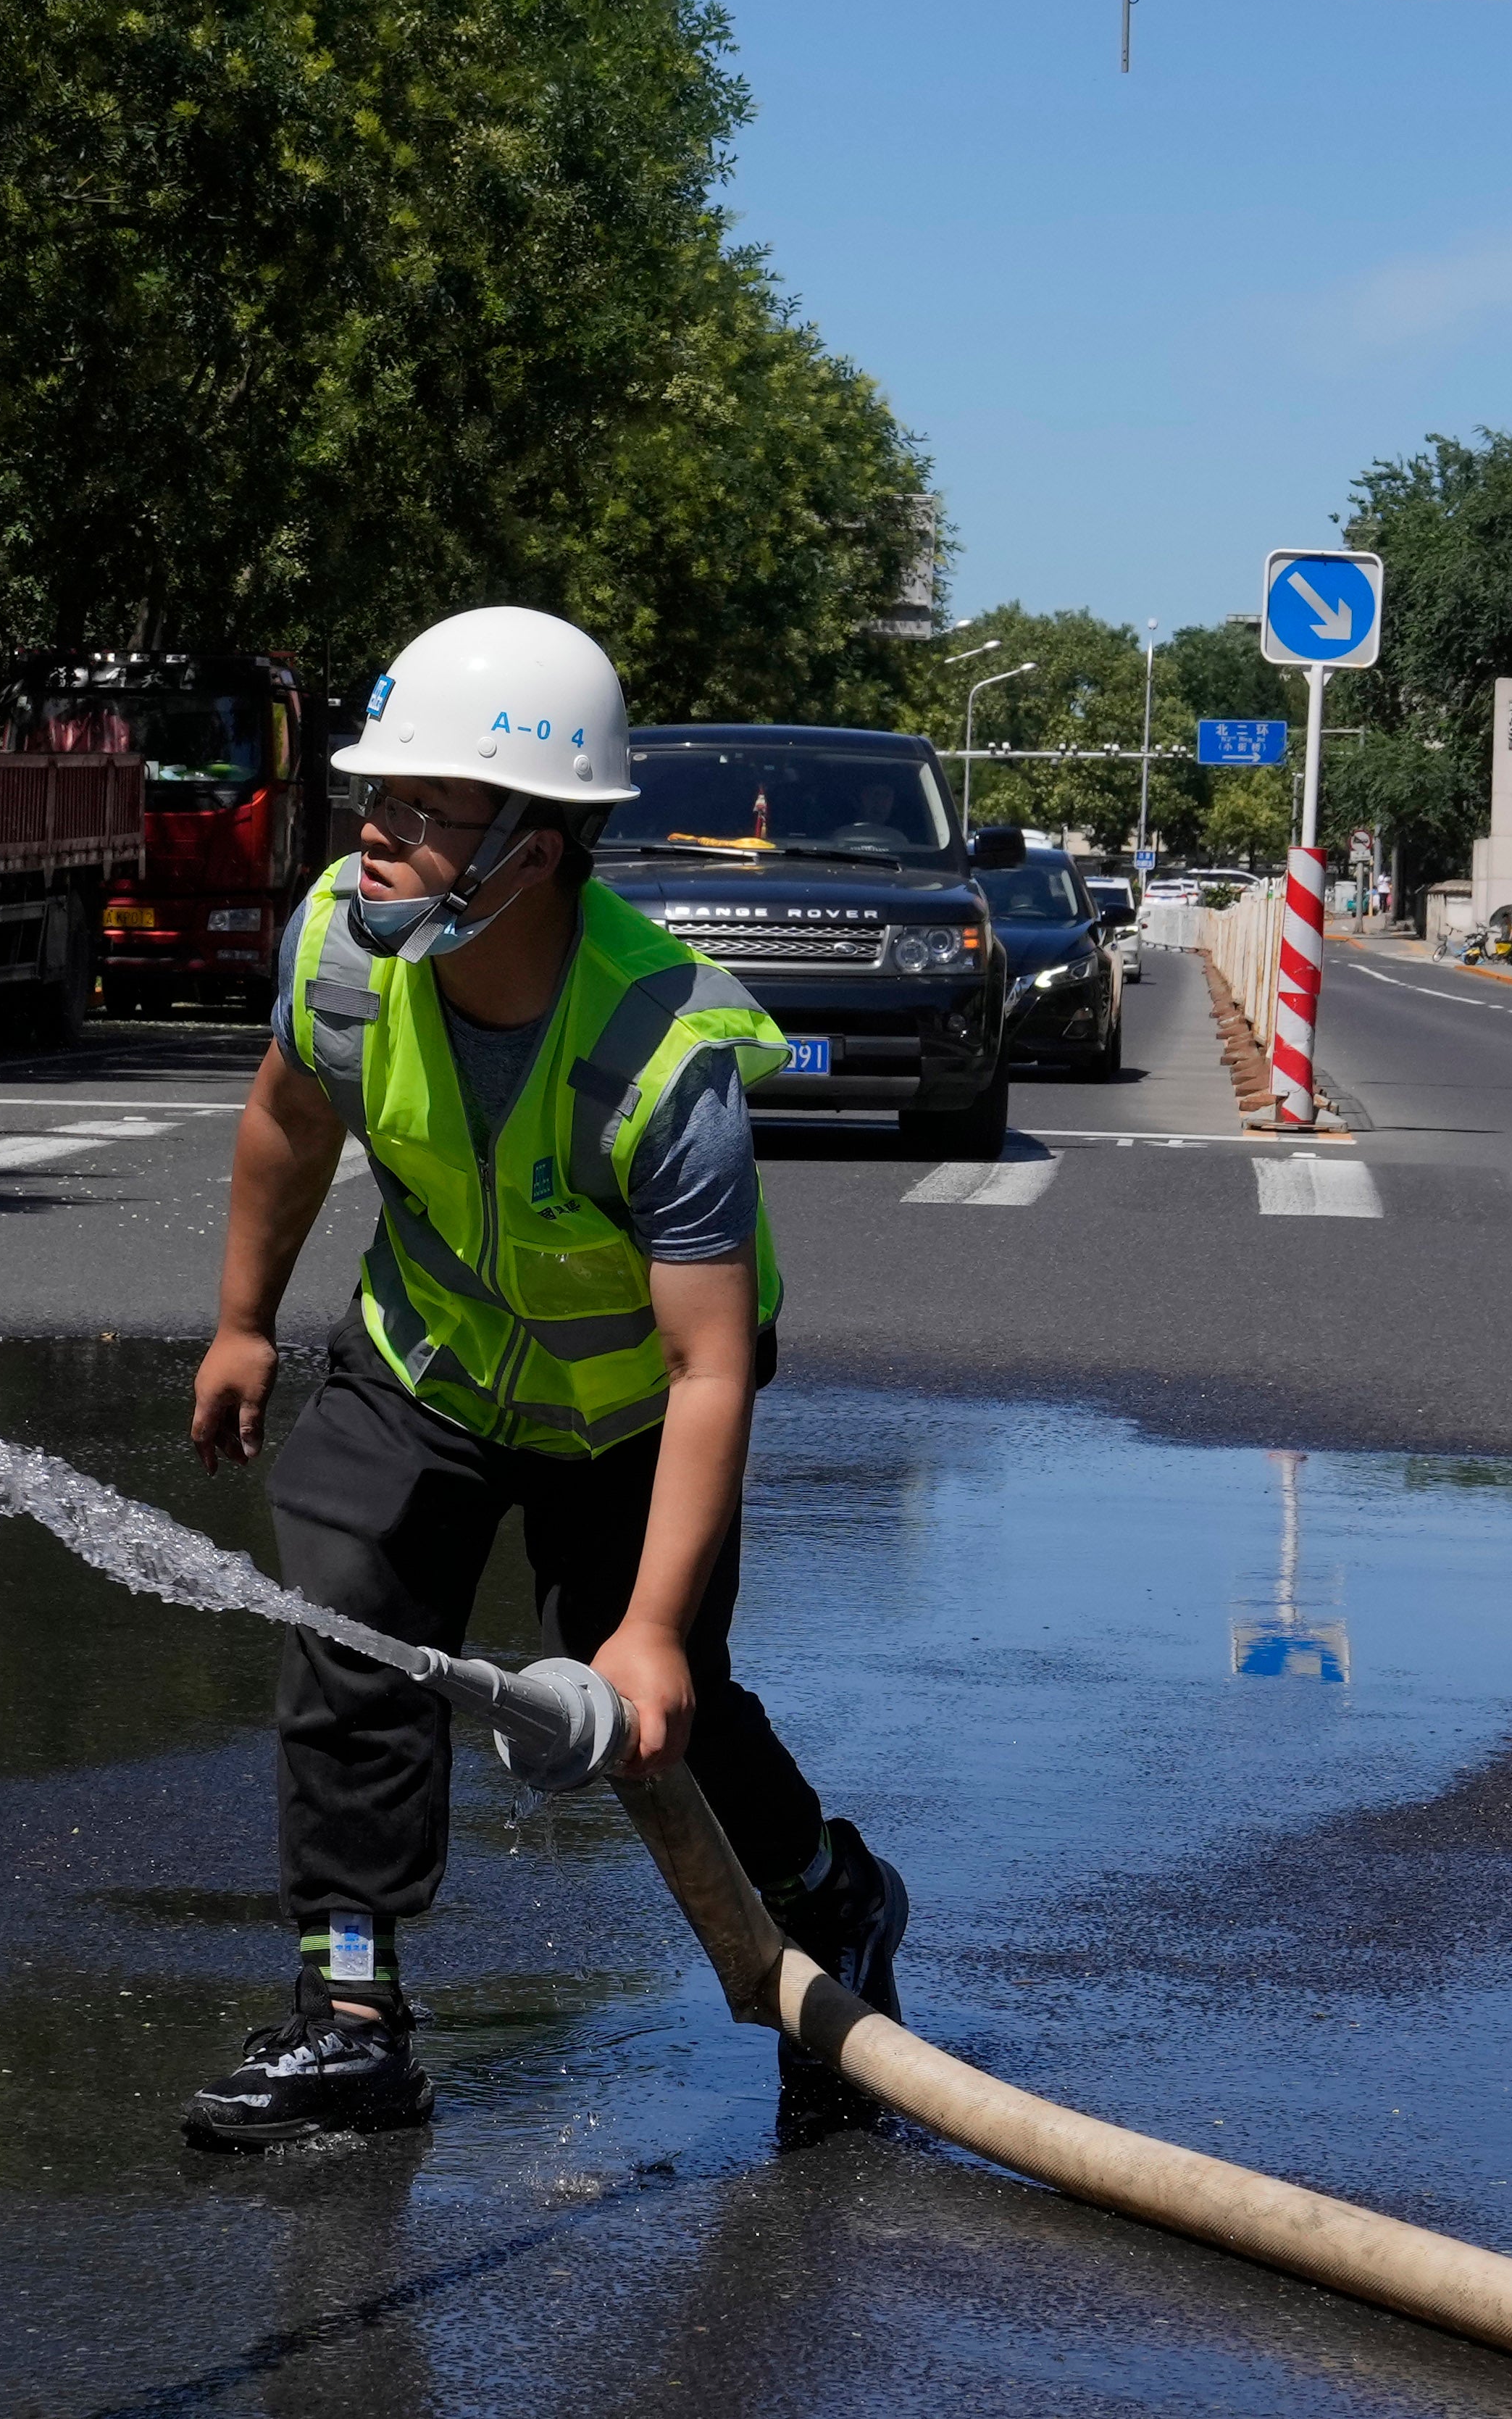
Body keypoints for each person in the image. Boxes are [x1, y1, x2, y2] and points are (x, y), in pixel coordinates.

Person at [176, 605, 907, 2149]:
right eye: (373, 795)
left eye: (425, 810)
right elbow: (285, 1128)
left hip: (637, 1409)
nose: (375, 834)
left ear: (541, 845)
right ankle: (349, 2018)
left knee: (657, 1711)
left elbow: (710, 1366)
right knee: (349, 1624)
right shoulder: (342, 951)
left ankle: (826, 1900)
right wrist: (244, 1321)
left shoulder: (659, 1055)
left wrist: (644, 1633)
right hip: (423, 1357)